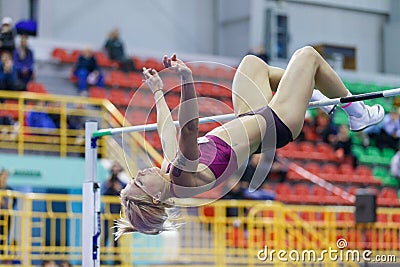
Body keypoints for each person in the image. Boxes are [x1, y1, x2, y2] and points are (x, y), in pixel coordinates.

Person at [115, 47, 384, 238]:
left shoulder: (171, 175)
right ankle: (357, 114)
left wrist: (159, 91)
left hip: (252, 117)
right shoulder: (183, 176)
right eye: (139, 183)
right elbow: (188, 129)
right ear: (157, 197)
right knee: (307, 56)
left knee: (251, 65)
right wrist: (186, 80)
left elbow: (166, 131)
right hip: (277, 123)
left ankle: (308, 93)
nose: (139, 173)